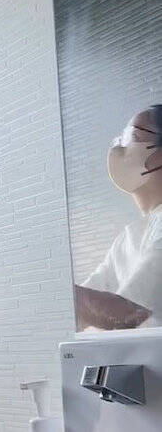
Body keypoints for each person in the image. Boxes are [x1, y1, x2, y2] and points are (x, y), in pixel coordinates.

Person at [75, 105, 162, 331]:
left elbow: (129, 314)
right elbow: (85, 310)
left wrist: (57, 292)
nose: (119, 147)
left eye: (132, 137)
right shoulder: (130, 236)